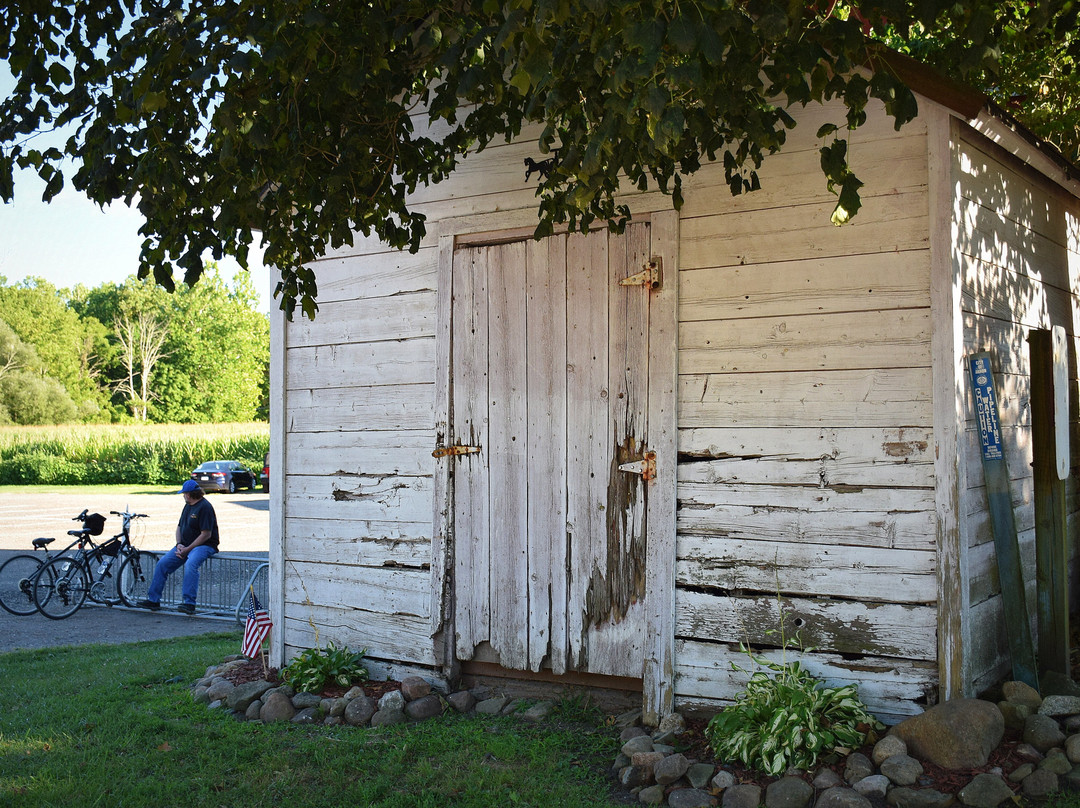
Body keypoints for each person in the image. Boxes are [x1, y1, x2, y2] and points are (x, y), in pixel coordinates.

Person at [137, 479, 220, 614]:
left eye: (184, 493)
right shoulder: (188, 506)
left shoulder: (205, 507)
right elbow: (179, 527)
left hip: (204, 545)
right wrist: (179, 544)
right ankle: (153, 600)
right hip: (185, 545)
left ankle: (189, 603)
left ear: (190, 494)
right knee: (162, 564)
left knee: (191, 564)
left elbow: (206, 534)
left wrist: (188, 549)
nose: (183, 496)